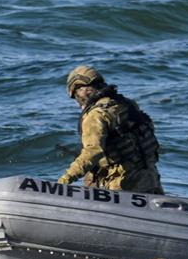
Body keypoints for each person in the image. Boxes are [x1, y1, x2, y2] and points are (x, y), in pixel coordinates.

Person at [59, 65, 163, 194]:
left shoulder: (96, 115)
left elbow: (92, 152)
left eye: (75, 95)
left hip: (123, 183)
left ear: (80, 90)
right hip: (150, 176)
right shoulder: (127, 104)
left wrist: (65, 180)